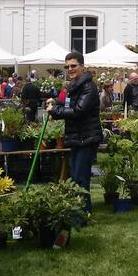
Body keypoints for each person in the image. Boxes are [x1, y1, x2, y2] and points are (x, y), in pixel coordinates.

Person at [47, 52, 102, 214]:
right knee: (77, 176)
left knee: (80, 178)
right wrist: (57, 101)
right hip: (77, 137)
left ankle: (82, 215)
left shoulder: (88, 86)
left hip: (86, 137)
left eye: (73, 66)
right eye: (67, 66)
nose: (70, 69)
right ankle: (81, 212)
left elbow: (78, 111)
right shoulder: (75, 85)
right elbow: (70, 102)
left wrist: (55, 110)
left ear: (82, 67)